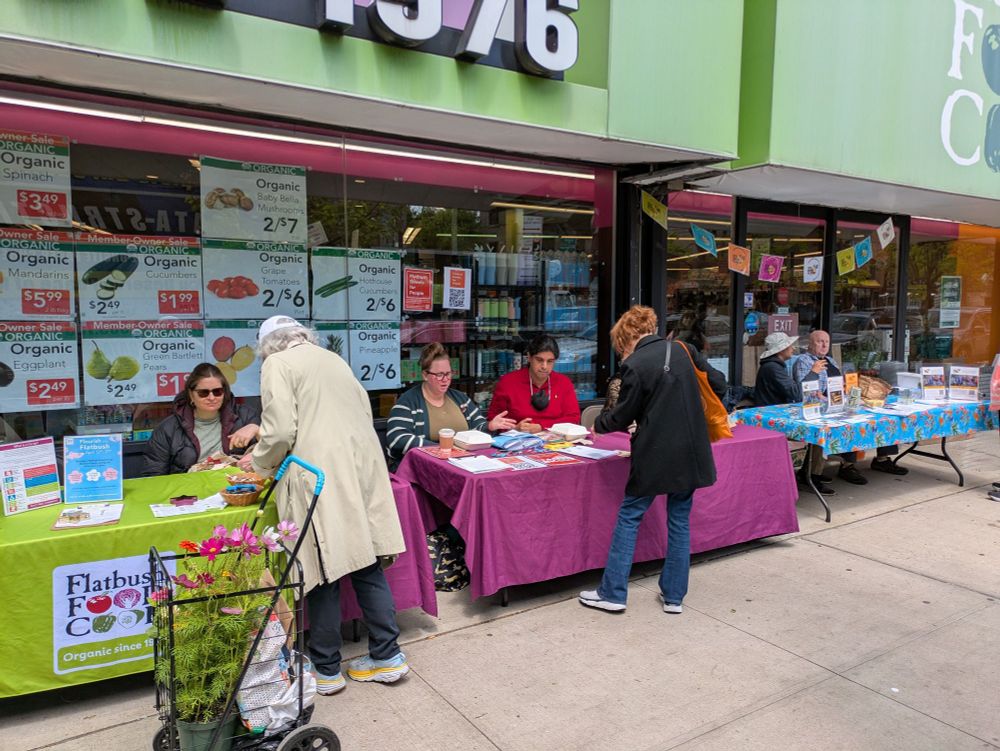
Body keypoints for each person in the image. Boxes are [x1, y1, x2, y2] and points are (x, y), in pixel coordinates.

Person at [236, 315, 408, 695]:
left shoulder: (277, 365)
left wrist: (262, 465)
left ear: (268, 347)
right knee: (366, 563)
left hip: (317, 476)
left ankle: (327, 670)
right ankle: (387, 656)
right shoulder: (334, 359)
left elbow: (281, 430)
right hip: (359, 471)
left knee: (322, 571)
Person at [579, 305, 726, 614]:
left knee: (630, 516)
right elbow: (720, 383)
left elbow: (624, 413)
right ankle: (674, 597)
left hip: (655, 454)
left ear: (629, 337)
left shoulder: (636, 364)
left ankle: (613, 593)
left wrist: (599, 425)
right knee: (679, 519)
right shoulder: (684, 350)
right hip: (692, 451)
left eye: (621, 345)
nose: (622, 351)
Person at [792, 330, 906, 487]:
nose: (825, 345)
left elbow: (838, 384)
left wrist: (848, 390)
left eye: (827, 341)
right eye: (820, 341)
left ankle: (881, 459)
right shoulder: (804, 361)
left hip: (837, 403)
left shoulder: (830, 360)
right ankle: (845, 466)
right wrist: (816, 375)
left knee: (880, 418)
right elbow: (806, 390)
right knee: (849, 425)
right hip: (817, 408)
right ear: (810, 344)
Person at [386, 342, 515, 470]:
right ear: (425, 375)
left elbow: (478, 426)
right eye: (439, 375)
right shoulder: (408, 402)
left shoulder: (460, 398)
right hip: (424, 468)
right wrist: (441, 449)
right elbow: (397, 438)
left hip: (463, 464)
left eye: (448, 374)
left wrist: (489, 426)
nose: (445, 379)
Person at [143, 363, 259, 476]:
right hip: (188, 490)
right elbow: (153, 474)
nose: (212, 397)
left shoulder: (246, 416)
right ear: (191, 395)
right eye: (203, 393)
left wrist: (257, 430)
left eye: (217, 391)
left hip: (237, 488)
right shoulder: (168, 428)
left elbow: (271, 451)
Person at [487, 334, 581, 432]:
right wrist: (515, 428)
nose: (544, 366)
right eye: (539, 360)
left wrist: (542, 427)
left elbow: (573, 419)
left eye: (550, 361)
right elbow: (494, 420)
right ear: (529, 357)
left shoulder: (563, 383)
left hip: (556, 442)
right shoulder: (508, 382)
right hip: (517, 442)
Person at [754, 332, 802, 406]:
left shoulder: (773, 366)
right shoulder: (773, 368)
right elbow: (795, 393)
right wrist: (813, 373)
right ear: (781, 349)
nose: (793, 348)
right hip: (771, 413)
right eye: (790, 345)